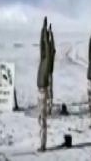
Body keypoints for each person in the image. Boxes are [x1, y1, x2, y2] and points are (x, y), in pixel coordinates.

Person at [37, 17, 50, 151]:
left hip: (43, 92)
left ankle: (43, 144)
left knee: (43, 119)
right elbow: (42, 45)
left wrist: (47, 33)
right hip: (39, 91)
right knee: (40, 118)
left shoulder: (47, 61)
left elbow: (46, 45)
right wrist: (42, 29)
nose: (43, 52)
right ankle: (42, 143)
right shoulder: (42, 59)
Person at [47, 24, 56, 115]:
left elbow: (51, 45)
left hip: (48, 73)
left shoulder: (50, 54)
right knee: (48, 91)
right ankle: (48, 107)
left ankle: (49, 107)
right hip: (47, 74)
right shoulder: (49, 54)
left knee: (49, 91)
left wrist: (50, 34)